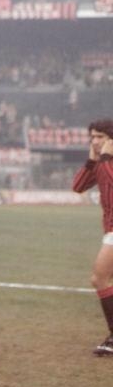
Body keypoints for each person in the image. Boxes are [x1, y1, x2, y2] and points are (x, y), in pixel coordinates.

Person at [71, 118, 113, 356]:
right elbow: (78, 186)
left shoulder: (108, 163)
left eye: (100, 137)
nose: (95, 142)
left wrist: (104, 158)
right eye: (92, 137)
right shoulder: (101, 163)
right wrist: (91, 161)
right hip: (110, 229)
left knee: (99, 278)